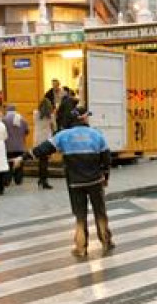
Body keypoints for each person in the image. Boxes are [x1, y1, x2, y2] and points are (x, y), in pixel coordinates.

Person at [15, 106, 114, 257]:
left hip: (75, 182)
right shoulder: (96, 135)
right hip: (95, 181)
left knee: (80, 216)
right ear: (83, 118)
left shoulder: (63, 136)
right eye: (88, 116)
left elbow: (42, 149)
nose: (89, 118)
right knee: (100, 212)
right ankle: (106, 242)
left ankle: (81, 248)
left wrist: (23, 157)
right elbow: (106, 158)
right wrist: (105, 176)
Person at [2, 103, 29, 187]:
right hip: (20, 146)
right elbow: (27, 131)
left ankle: (7, 180)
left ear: (7, 109)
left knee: (8, 164)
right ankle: (18, 180)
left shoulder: (4, 119)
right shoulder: (22, 119)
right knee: (19, 164)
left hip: (8, 146)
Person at [33, 98, 55, 189]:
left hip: (38, 137)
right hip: (47, 138)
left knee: (41, 160)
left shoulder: (35, 113)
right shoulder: (51, 115)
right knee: (45, 160)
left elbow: (35, 123)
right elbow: (54, 126)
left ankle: (41, 179)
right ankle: (44, 180)